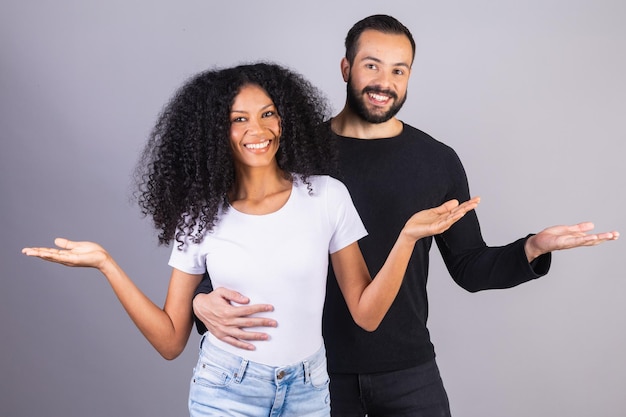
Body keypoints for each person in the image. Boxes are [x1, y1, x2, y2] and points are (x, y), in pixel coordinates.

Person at [191, 15, 620, 417]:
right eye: (372, 66)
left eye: (399, 70)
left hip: (408, 370)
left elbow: (470, 268)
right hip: (312, 373)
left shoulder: (436, 161)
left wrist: (533, 248)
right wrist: (201, 299)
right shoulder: (295, 155)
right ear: (346, 67)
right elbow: (238, 237)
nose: (384, 82)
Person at [22, 62, 479, 416]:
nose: (257, 130)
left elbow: (367, 314)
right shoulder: (200, 215)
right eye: (238, 119)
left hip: (310, 389)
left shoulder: (325, 195)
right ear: (214, 133)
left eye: (267, 114)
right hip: (227, 389)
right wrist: (106, 264)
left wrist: (405, 239)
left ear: (286, 119)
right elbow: (170, 341)